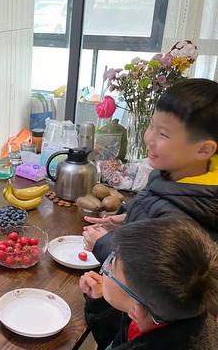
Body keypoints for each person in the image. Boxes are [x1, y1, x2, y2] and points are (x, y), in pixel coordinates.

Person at [4, 218, 218, 350]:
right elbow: (124, 349)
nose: (105, 267)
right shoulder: (179, 311)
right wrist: (104, 303)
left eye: (112, 264)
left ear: (136, 308)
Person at [83, 78, 218, 264]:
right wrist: (132, 217)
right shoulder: (171, 173)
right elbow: (156, 213)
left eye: (163, 134)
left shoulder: (187, 220)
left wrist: (103, 244)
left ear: (204, 150)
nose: (149, 139)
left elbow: (152, 275)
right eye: (152, 126)